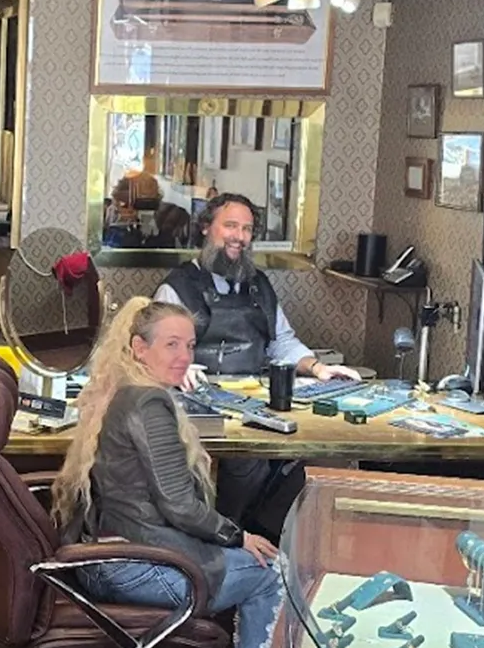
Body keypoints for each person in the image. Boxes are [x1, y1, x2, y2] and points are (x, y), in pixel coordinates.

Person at [53, 297, 286, 648]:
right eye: (171, 345)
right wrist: (237, 535)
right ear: (139, 348)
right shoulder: (148, 404)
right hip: (142, 568)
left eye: (190, 346)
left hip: (107, 559)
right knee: (274, 570)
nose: (184, 357)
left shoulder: (119, 394)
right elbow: (179, 505)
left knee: (209, 554)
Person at [153, 193, 362, 537]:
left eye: (247, 229)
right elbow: (155, 350)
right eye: (230, 225)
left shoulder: (259, 285)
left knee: (314, 455)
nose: (239, 236)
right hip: (196, 405)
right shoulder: (176, 287)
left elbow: (282, 341)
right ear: (206, 228)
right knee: (246, 460)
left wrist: (317, 367)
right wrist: (175, 368)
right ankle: (224, 536)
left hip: (253, 398)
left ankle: (263, 536)